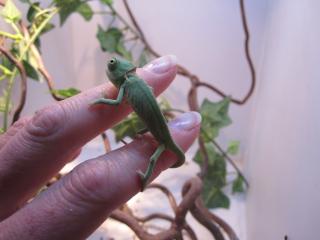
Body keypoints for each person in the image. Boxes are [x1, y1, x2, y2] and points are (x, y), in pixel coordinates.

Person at [0, 55, 201, 239]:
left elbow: (115, 103)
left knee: (155, 153)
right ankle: (146, 174)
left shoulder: (130, 83)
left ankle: (146, 176)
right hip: (157, 131)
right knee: (156, 148)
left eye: (112, 65)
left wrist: (100, 101)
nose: (110, 67)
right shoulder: (133, 81)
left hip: (160, 134)